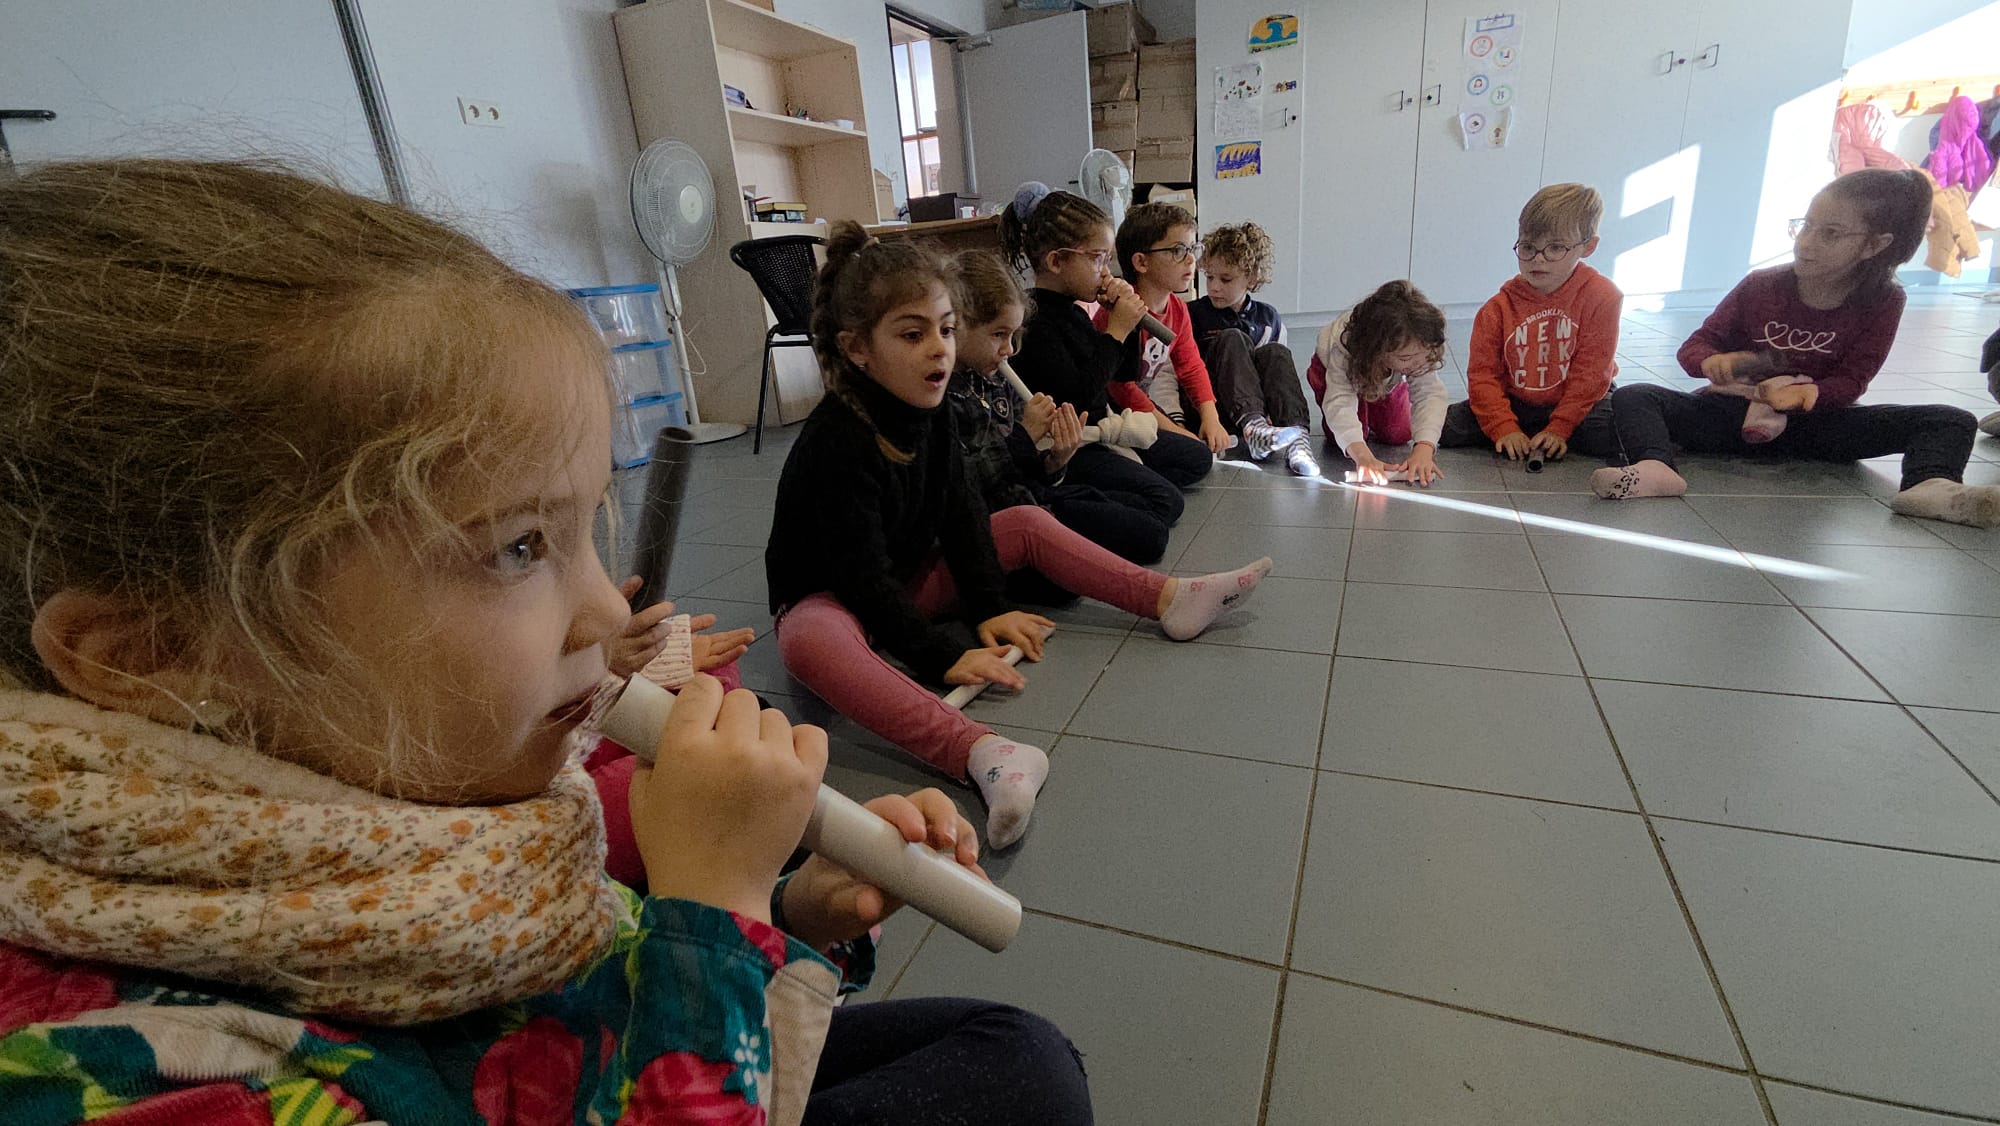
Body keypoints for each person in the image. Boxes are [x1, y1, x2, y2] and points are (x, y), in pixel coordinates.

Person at [0, 158, 1094, 1125]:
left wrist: (788, 906)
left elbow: (579, 977)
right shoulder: (139, 1076)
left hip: (579, 1062)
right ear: (161, 658)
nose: (613, 621)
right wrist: (713, 913)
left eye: (584, 528)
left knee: (1013, 1056)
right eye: (518, 547)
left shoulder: (424, 799)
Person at [767, 222, 1270, 849]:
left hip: (904, 577)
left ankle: (1168, 599)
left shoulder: (933, 412)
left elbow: (961, 515)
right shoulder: (837, 440)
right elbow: (860, 576)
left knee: (1025, 522)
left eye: (947, 329)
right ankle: (984, 754)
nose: (939, 350)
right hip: (834, 598)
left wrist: (989, 606)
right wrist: (940, 655)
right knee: (806, 640)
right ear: (858, 349)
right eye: (913, 334)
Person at [1593, 168, 2000, 529]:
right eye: (1806, 226)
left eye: (1830, 234)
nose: (1807, 242)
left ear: (1874, 245)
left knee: (1951, 419)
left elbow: (1854, 380)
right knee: (1636, 396)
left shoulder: (1886, 300)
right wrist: (1712, 361)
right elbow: (1694, 347)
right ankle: (1655, 467)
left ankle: (1930, 485)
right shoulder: (1761, 285)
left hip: (1815, 428)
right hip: (1728, 417)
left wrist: (1809, 394)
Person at [948, 249, 1178, 565]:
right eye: (999, 335)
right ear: (957, 326)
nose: (1009, 349)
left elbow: (1027, 472)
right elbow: (968, 481)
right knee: (1150, 533)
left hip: (1034, 494)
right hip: (1006, 517)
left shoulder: (993, 379)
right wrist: (1025, 437)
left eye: (1013, 335)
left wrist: (1055, 461)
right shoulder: (949, 394)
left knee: (1155, 510)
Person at [1004, 183, 1212, 489]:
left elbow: (1128, 373)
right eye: (1097, 259)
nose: (1106, 273)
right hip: (1075, 444)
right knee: (1163, 501)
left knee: (1197, 457)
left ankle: (1125, 481)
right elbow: (1076, 400)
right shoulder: (1034, 321)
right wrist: (1115, 331)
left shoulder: (1075, 311)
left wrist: (1129, 323)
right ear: (1056, 261)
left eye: (1107, 260)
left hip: (1106, 427)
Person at [1439, 183, 1621, 463]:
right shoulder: (1497, 308)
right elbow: (1484, 376)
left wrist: (1561, 427)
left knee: (1619, 423)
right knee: (1446, 426)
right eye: (1527, 247)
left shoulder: (1603, 296)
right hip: (1519, 402)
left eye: (1555, 248)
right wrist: (1503, 427)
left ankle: (1546, 434)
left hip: (1581, 403)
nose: (1538, 259)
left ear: (1588, 247)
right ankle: (1530, 432)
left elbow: (1591, 375)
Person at [1094, 202, 1232, 461]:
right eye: (1178, 250)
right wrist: (1175, 431)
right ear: (1141, 262)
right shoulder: (1120, 309)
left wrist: (1210, 417)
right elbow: (1121, 388)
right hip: (1111, 410)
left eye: (1193, 248)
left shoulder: (1178, 309)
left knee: (1202, 443)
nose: (1191, 259)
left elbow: (1190, 366)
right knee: (1193, 455)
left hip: (1140, 405)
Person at [1187, 221, 1319, 476]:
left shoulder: (1268, 318)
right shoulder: (1194, 313)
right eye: (1209, 277)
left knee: (1276, 353)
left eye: (1225, 279)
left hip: (1257, 407)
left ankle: (1297, 439)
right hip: (1211, 409)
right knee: (1232, 337)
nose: (1214, 287)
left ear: (1251, 279)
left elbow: (1277, 378)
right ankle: (1253, 427)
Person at [1307, 280, 1452, 486]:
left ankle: (1380, 399)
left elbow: (1430, 394)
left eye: (1424, 354)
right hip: (1329, 372)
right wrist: (1362, 455)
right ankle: (1364, 418)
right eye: (1405, 358)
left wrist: (1424, 448)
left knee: (1398, 433)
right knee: (1347, 436)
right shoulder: (1344, 347)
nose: (1418, 363)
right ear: (1378, 352)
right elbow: (1339, 402)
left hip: (1383, 376)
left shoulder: (1417, 345)